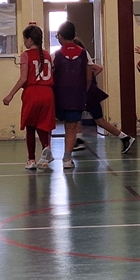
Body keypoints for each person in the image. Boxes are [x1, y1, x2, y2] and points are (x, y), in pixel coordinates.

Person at [3, 25, 56, 170]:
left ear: (30, 40)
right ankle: (46, 149)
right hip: (48, 93)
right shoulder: (48, 55)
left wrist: (10, 94)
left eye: (24, 39)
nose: (24, 42)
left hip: (32, 93)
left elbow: (23, 78)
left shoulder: (25, 55)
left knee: (30, 127)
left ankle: (31, 160)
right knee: (44, 125)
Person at [72, 38, 135, 154]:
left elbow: (97, 70)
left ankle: (125, 137)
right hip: (85, 92)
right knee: (77, 116)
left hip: (89, 93)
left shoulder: (84, 60)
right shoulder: (79, 61)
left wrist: (89, 80)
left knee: (99, 121)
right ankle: (79, 139)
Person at [52, 21, 92, 169]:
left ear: (60, 37)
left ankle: (45, 154)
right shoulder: (84, 53)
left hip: (59, 96)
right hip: (77, 95)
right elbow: (89, 77)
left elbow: (50, 76)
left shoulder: (55, 55)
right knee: (71, 128)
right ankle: (67, 159)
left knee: (50, 126)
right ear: (74, 35)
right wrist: (83, 90)